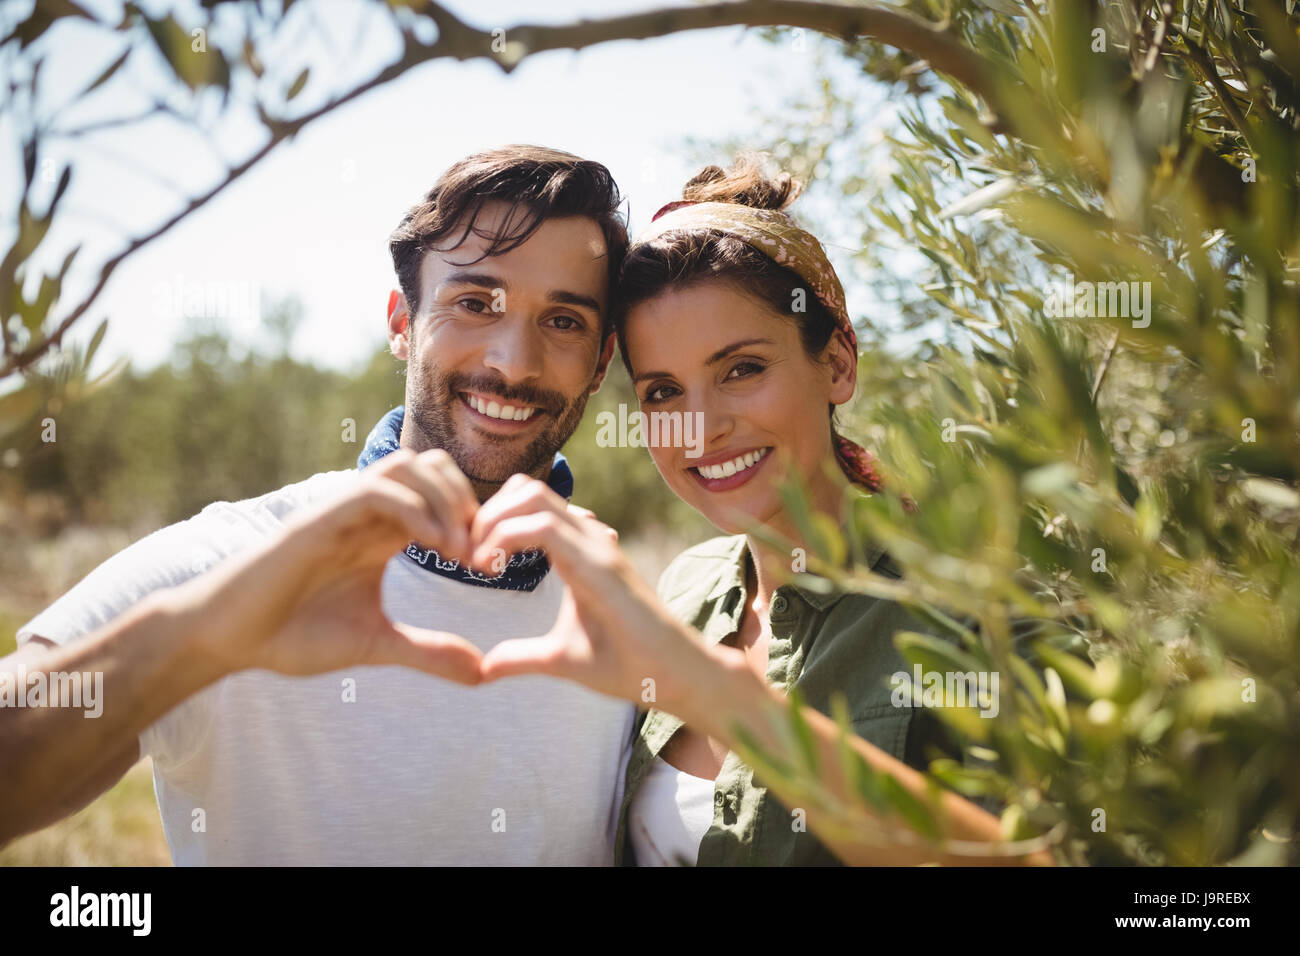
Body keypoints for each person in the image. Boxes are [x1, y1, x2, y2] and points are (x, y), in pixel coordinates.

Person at [0, 145, 640, 864]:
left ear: (601, 362)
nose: (513, 362)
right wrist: (203, 639)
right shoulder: (238, 559)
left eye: (563, 322)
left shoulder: (628, 609)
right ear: (403, 322)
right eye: (474, 302)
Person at [461, 156, 1057, 866]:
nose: (703, 427)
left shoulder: (977, 611)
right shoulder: (681, 590)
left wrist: (725, 699)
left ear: (836, 364)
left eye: (741, 370)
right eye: (662, 393)